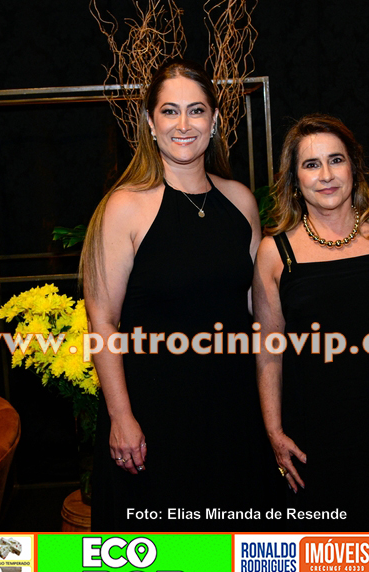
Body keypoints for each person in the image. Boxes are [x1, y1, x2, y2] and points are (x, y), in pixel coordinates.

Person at [81, 59, 272, 531]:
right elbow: (102, 321)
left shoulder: (241, 201)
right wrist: (121, 417)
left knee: (235, 553)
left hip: (233, 413)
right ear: (150, 123)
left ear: (215, 120)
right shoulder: (124, 207)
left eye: (196, 110)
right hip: (155, 417)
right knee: (161, 561)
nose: (183, 124)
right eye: (170, 111)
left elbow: (259, 312)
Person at [253, 114, 369, 531]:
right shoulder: (274, 253)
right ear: (294, 180)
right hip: (312, 438)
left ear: (354, 167)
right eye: (311, 164)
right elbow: (268, 352)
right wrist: (273, 431)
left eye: (335, 160)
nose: (326, 175)